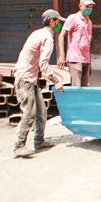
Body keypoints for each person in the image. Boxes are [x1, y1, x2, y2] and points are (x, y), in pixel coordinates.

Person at [12, 9, 65, 158]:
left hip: (30, 78)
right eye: (58, 21)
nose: (59, 24)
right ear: (52, 22)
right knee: (29, 113)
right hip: (25, 79)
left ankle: (39, 140)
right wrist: (56, 81)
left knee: (41, 111)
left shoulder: (38, 33)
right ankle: (19, 146)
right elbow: (43, 64)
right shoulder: (47, 38)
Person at [57, 0, 94, 87]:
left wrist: (90, 62)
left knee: (85, 88)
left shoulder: (89, 22)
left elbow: (88, 43)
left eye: (91, 7)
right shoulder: (73, 18)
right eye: (87, 6)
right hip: (75, 58)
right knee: (76, 87)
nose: (89, 9)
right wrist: (61, 55)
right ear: (80, 6)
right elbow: (61, 36)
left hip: (86, 59)